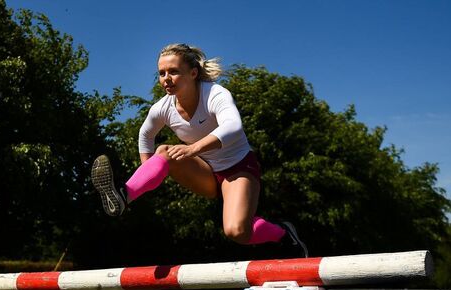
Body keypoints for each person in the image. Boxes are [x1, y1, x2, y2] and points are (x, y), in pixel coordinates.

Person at [92, 43, 307, 257]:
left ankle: (284, 233)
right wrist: (148, 175)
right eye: (161, 73)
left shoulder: (215, 94)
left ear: (193, 73)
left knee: (237, 231)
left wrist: (193, 148)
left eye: (174, 72)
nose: (166, 78)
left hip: (237, 168)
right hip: (204, 172)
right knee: (165, 152)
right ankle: (124, 196)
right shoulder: (161, 108)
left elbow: (233, 126)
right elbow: (145, 135)